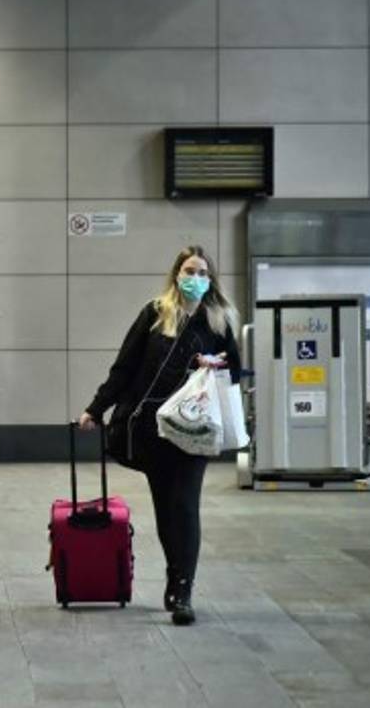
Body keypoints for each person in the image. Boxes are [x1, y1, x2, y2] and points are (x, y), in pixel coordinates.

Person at [78, 245, 241, 626]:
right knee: (167, 507)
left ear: (211, 279)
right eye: (189, 270)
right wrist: (96, 407)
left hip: (193, 429)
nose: (196, 278)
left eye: (203, 272)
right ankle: (174, 579)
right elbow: (125, 366)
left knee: (185, 505)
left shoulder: (217, 321)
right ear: (176, 274)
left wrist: (215, 365)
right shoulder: (155, 313)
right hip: (153, 428)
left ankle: (183, 590)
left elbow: (235, 371)